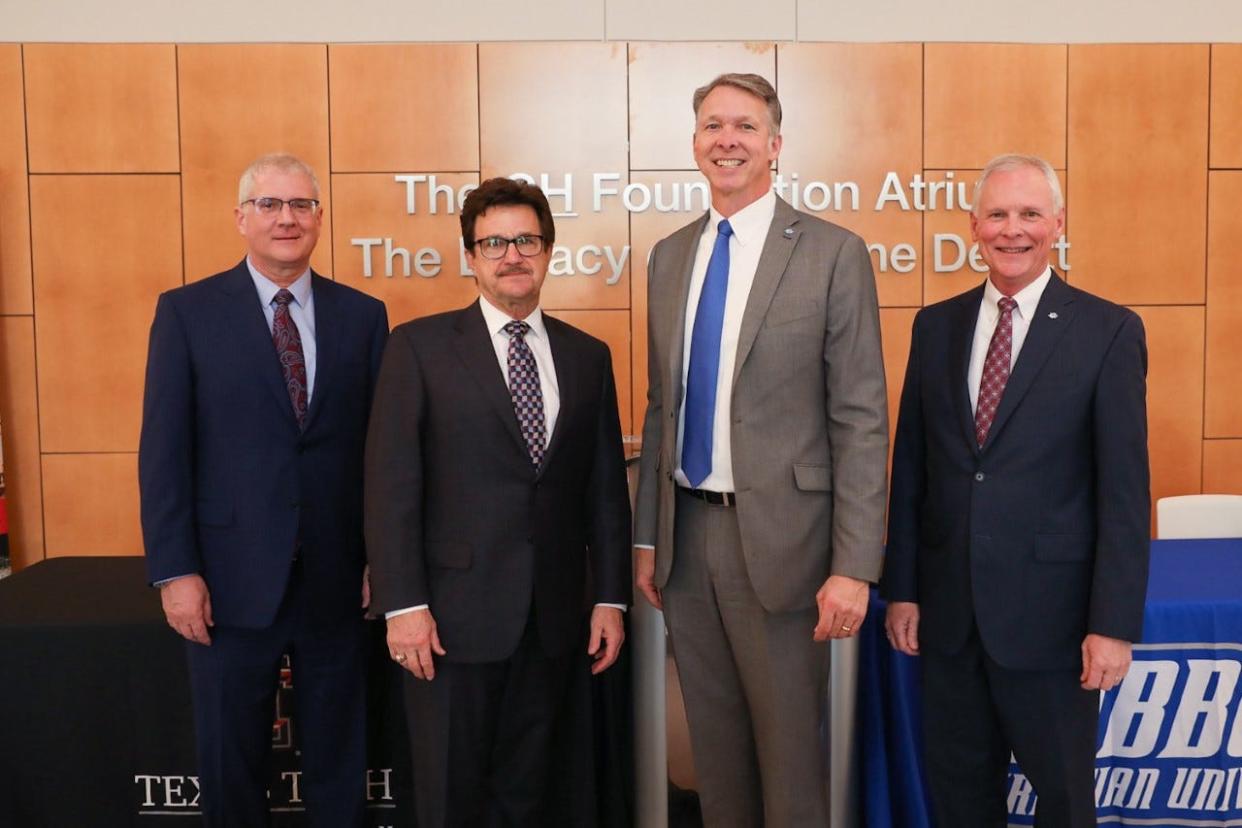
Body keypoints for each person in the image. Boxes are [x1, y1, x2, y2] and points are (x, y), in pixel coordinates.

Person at [633, 73, 889, 826]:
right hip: (687, 543)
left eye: (745, 127)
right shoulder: (669, 257)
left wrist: (853, 566)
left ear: (775, 145)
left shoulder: (832, 253)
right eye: (713, 126)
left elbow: (861, 420)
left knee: (789, 762)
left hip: (788, 547)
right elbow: (660, 409)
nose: (728, 140)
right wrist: (649, 536)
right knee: (714, 759)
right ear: (694, 146)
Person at [881, 153, 1150, 826]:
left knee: (1062, 803)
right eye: (997, 214)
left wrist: (1111, 626)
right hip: (947, 624)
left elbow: (1123, 491)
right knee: (959, 802)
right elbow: (913, 469)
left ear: (1057, 223)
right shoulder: (934, 326)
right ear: (973, 226)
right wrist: (904, 587)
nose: (1013, 230)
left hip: (1052, 629)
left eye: (1029, 214)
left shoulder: (1107, 330)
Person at [364, 176, 632, 827]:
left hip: (554, 621)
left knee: (536, 795)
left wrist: (610, 598)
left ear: (548, 250)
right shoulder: (419, 349)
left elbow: (603, 489)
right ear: (470, 257)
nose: (512, 255)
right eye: (494, 244)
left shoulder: (587, 357)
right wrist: (404, 606)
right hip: (450, 623)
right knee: (452, 796)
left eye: (526, 241)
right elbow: (391, 485)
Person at [139, 153, 389, 827]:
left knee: (340, 756)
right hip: (226, 581)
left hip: (337, 579)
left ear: (319, 219)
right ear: (242, 217)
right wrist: (175, 571)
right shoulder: (187, 313)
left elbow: (378, 453)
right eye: (271, 204)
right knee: (232, 757)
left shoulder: (364, 316)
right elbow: (163, 453)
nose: (287, 218)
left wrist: (380, 559)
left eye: (301, 205)